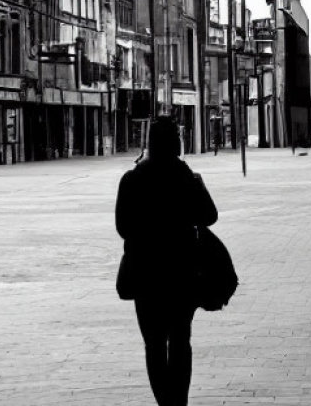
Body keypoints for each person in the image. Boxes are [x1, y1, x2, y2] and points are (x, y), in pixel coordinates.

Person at [116, 116, 218, 406]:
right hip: (182, 272)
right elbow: (210, 216)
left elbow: (123, 227)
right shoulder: (186, 177)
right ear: (177, 143)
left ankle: (164, 402)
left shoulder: (132, 179)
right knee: (180, 340)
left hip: (145, 271)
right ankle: (180, 402)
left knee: (154, 344)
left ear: (148, 143)